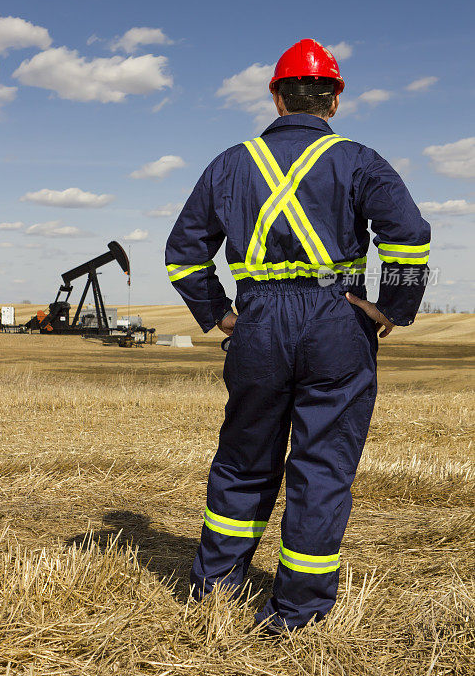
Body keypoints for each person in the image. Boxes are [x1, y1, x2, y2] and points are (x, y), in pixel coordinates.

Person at [165, 39, 430, 633]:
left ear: (277, 97)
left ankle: (216, 582)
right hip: (337, 320)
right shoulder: (360, 160)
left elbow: (183, 254)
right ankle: (298, 610)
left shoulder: (231, 163)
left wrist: (221, 316)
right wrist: (392, 309)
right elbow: (409, 236)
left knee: (243, 457)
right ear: (333, 100)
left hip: (258, 321)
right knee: (322, 466)